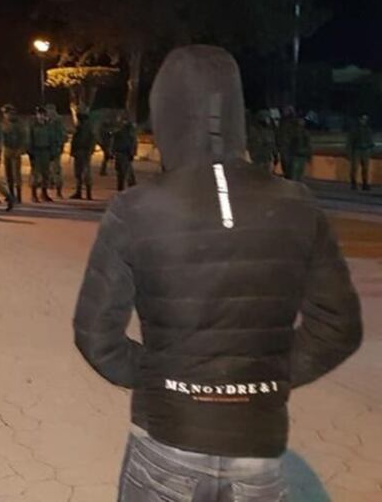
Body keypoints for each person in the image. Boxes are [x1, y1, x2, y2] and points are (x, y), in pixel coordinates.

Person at [73, 45, 362, 501]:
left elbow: (96, 336)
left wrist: (164, 377)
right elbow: (339, 328)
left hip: (167, 441)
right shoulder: (296, 204)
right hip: (258, 444)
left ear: (165, 112)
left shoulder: (135, 209)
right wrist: (266, 376)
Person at [28, 107, 54, 203]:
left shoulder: (48, 126)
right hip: (37, 151)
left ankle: (44, 193)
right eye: (39, 114)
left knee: (46, 174)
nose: (41, 116)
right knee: (35, 174)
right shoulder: (33, 126)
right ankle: (33, 195)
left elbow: (52, 139)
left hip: (46, 151)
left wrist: (52, 153)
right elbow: (29, 139)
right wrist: (30, 153)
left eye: (43, 114)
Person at [69, 110, 97, 200]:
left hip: (84, 152)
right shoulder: (81, 127)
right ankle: (80, 192)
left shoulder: (85, 128)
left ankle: (86, 193)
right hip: (80, 152)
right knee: (79, 173)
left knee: (84, 173)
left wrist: (89, 151)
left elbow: (91, 141)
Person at [2, 104, 26, 203]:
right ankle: (11, 194)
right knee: (8, 174)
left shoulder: (18, 124)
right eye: (5, 113)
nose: (6, 115)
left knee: (16, 174)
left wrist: (21, 149)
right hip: (6, 150)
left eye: (7, 113)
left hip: (15, 151)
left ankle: (19, 195)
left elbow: (23, 137)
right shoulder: (3, 124)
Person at [346, 114, 374, 191]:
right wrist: (349, 153)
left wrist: (371, 151)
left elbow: (371, 142)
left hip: (365, 151)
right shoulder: (355, 130)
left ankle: (365, 183)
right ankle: (353, 183)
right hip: (357, 150)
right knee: (354, 168)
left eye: (365, 120)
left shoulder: (368, 130)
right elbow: (350, 142)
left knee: (365, 168)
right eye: (362, 119)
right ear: (359, 120)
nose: (364, 121)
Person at [112, 112, 138, 191]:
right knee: (123, 172)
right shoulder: (126, 133)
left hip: (123, 154)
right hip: (123, 154)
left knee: (123, 172)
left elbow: (132, 144)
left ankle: (124, 188)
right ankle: (125, 188)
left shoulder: (121, 133)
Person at [46, 104, 67, 199]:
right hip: (47, 149)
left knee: (56, 170)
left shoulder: (57, 122)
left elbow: (63, 136)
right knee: (48, 170)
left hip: (54, 149)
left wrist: (59, 145)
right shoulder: (46, 121)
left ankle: (58, 190)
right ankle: (50, 186)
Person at [287, 117, 312, 182]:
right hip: (295, 156)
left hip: (301, 156)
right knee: (294, 176)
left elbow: (309, 145)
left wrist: (309, 156)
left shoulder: (305, 133)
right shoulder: (294, 132)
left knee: (299, 176)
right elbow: (290, 144)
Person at [276, 106, 296, 178]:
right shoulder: (282, 121)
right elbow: (279, 132)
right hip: (283, 144)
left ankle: (289, 176)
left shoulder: (293, 121)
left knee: (288, 161)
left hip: (289, 145)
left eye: (287, 110)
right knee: (284, 161)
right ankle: (287, 175)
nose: (284, 111)